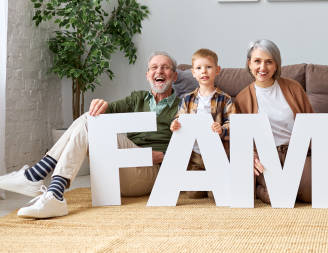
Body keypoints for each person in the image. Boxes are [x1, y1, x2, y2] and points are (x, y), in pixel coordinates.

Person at [0, 51, 181, 219]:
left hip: (149, 173)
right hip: (119, 166)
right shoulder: (137, 98)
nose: (160, 71)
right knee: (91, 118)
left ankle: (37, 175)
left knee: (89, 121)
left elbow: (191, 146)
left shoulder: (184, 105)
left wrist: (164, 157)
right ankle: (53, 194)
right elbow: (104, 111)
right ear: (147, 74)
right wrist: (100, 104)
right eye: (154, 67)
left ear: (174, 75)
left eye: (165, 67)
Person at [233, 39, 313, 204]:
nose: (263, 68)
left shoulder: (293, 88)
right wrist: (252, 155)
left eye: (269, 62)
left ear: (276, 65)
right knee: (279, 198)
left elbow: (310, 121)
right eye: (257, 61)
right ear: (249, 63)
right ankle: (259, 190)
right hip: (267, 156)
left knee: (314, 194)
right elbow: (240, 137)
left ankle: (291, 186)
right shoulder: (242, 98)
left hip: (296, 152)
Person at [170, 48, 235, 199]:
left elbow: (233, 123)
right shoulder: (187, 99)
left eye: (209, 67)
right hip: (195, 156)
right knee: (193, 194)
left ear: (217, 70)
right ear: (193, 73)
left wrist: (222, 129)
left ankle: (214, 184)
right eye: (199, 68)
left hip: (217, 154)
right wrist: (175, 124)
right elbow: (179, 118)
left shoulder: (225, 99)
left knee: (215, 195)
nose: (204, 71)